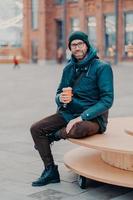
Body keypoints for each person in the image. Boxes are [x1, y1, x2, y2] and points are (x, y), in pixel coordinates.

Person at [30, 31, 114, 187]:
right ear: (70, 48)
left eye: (80, 44)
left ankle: (53, 136)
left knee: (77, 129)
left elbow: (107, 100)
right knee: (36, 129)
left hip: (92, 118)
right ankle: (50, 171)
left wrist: (82, 117)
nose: (77, 48)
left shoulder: (102, 67)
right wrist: (60, 98)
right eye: (73, 45)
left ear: (87, 45)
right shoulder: (68, 68)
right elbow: (58, 93)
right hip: (68, 113)